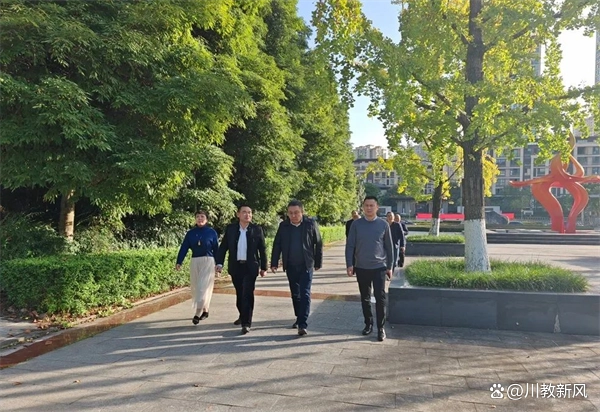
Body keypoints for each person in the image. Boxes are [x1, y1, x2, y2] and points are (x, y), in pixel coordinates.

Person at [270, 200, 323, 336]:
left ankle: (302, 324)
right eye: (291, 213)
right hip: (290, 265)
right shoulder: (284, 226)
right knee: (295, 294)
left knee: (305, 293)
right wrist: (274, 262)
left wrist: (318, 262)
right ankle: (299, 317)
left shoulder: (310, 224)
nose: (293, 216)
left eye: (296, 213)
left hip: (306, 264)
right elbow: (277, 244)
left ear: (302, 212)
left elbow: (318, 243)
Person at [345, 196, 394, 342]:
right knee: (365, 298)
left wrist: (390, 266)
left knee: (380, 298)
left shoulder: (383, 224)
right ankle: (368, 324)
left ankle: (381, 328)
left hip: (379, 267)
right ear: (363, 207)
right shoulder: (356, 225)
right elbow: (350, 245)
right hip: (361, 267)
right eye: (366, 205)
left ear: (377, 207)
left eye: (372, 205)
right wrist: (349, 264)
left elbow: (389, 247)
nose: (369, 208)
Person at [215, 205, 267, 334]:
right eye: (244, 212)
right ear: (238, 214)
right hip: (236, 266)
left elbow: (262, 250)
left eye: (249, 212)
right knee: (239, 293)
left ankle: (246, 323)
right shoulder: (231, 229)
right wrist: (219, 263)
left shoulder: (257, 229)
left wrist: (264, 267)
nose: (247, 215)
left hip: (250, 267)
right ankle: (242, 314)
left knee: (247, 294)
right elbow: (223, 247)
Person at [176, 211, 219, 325]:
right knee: (196, 287)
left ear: (207, 219)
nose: (200, 219)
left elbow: (216, 249)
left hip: (208, 261)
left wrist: (219, 264)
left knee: (203, 288)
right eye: (198, 217)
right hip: (195, 261)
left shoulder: (211, 232)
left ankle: (197, 313)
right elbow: (184, 247)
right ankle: (206, 310)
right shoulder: (190, 233)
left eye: (202, 217)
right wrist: (179, 261)